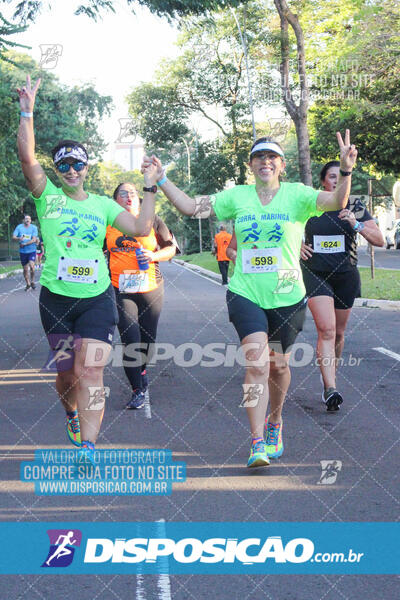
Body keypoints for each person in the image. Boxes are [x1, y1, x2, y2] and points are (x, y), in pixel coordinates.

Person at [141, 131, 358, 468]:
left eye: (272, 157)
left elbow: (336, 203)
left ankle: (275, 421)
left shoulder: (297, 195)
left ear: (281, 165)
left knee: (279, 365)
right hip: (246, 292)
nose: (266, 162)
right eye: (259, 158)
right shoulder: (237, 196)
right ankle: (257, 441)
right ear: (251, 165)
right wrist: (162, 179)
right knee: (256, 362)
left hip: (287, 294)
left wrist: (345, 172)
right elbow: (189, 207)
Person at [16, 75, 156, 463]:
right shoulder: (47, 198)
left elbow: (143, 227)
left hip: (96, 298)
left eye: (78, 163)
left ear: (87, 167)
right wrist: (27, 110)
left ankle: (89, 448)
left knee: (91, 372)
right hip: (57, 299)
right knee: (66, 374)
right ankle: (70, 412)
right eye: (64, 164)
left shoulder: (102, 205)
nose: (72, 169)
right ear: (58, 169)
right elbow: (27, 158)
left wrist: (149, 188)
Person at [300, 161, 384, 411]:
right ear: (324, 181)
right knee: (326, 330)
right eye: (332, 176)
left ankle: (330, 376)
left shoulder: (355, 204)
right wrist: (295, 246)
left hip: (346, 275)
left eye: (341, 176)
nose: (337, 180)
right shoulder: (312, 203)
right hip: (315, 273)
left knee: (338, 333)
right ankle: (330, 388)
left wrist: (355, 224)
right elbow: (286, 229)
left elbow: (379, 239)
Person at [106, 182, 177, 409]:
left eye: (133, 193)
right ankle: (137, 389)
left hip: (151, 288)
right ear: (115, 200)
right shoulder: (108, 222)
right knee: (130, 339)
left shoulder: (153, 220)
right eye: (123, 194)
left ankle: (143, 368)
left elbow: (171, 249)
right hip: (121, 288)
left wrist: (153, 256)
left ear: (139, 199)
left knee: (147, 341)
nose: (128, 197)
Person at [12, 214, 38, 289]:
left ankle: (32, 281)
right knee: (25, 269)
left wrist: (25, 244)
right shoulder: (19, 227)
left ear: (30, 221)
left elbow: (34, 239)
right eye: (26, 219)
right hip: (23, 252)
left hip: (32, 250)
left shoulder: (34, 228)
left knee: (32, 267)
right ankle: (28, 283)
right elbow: (13, 237)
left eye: (29, 219)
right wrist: (19, 238)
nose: (27, 220)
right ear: (24, 220)